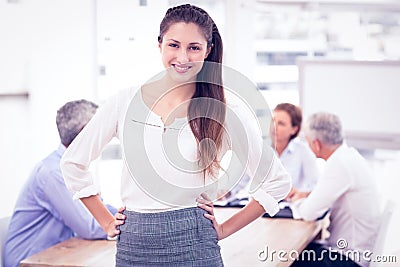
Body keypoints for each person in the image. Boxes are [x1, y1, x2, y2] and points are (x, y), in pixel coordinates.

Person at [61, 4, 291, 266]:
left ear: (208, 50)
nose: (183, 57)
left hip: (195, 243)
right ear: (159, 44)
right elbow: (73, 163)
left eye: (193, 47)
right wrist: (105, 220)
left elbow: (275, 181)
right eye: (174, 45)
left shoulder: (226, 112)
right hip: (134, 243)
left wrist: (225, 229)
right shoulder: (124, 102)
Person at [3, 100, 118, 267]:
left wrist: (127, 215)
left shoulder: (69, 167)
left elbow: (95, 209)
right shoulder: (54, 173)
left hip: (56, 256)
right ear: (84, 132)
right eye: (99, 129)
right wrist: (133, 224)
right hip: (28, 262)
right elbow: (90, 226)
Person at [291, 112, 381, 267]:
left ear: (317, 144)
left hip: (349, 259)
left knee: (287, 259)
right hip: (354, 252)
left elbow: (308, 213)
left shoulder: (339, 164)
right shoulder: (348, 157)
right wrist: (307, 195)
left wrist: (296, 200)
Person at [270, 103, 320, 201]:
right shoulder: (262, 150)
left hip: (286, 210)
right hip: (248, 205)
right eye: (273, 121)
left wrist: (299, 193)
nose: (274, 127)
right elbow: (241, 185)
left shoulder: (304, 152)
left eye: (281, 123)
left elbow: (315, 186)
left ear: (294, 129)